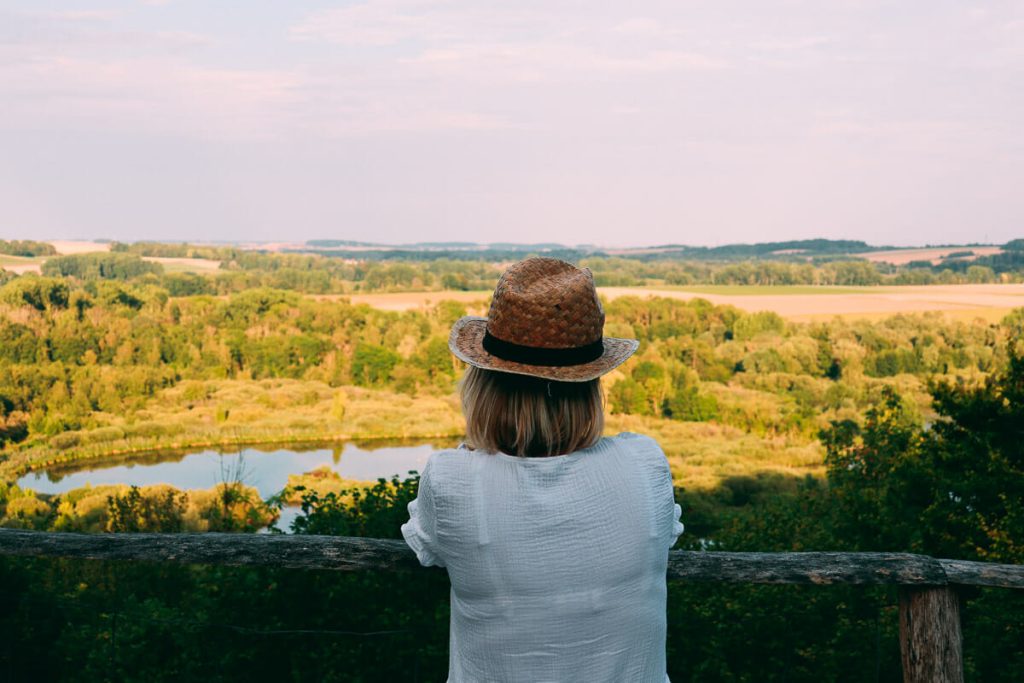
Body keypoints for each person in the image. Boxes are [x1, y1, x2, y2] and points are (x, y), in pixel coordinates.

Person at [401, 257, 684, 683]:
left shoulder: (452, 480)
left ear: (483, 387)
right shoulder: (645, 465)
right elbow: (667, 534)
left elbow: (428, 546)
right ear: (591, 387)